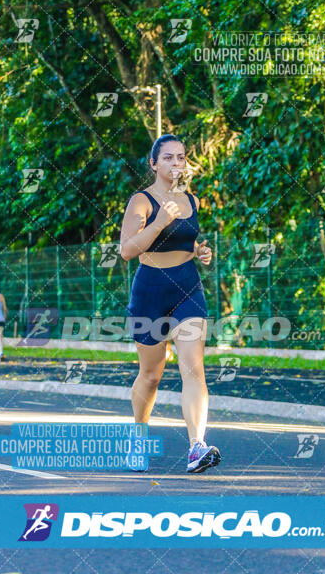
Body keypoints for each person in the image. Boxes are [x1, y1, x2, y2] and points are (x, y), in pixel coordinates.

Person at [120, 133, 221, 473]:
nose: (176, 163)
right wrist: (160, 221)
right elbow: (127, 250)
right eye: (168, 158)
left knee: (194, 368)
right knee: (151, 375)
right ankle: (138, 436)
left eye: (181, 157)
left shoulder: (192, 200)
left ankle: (196, 447)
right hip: (150, 292)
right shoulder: (141, 202)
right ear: (154, 163)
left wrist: (199, 251)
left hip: (188, 289)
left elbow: (184, 242)